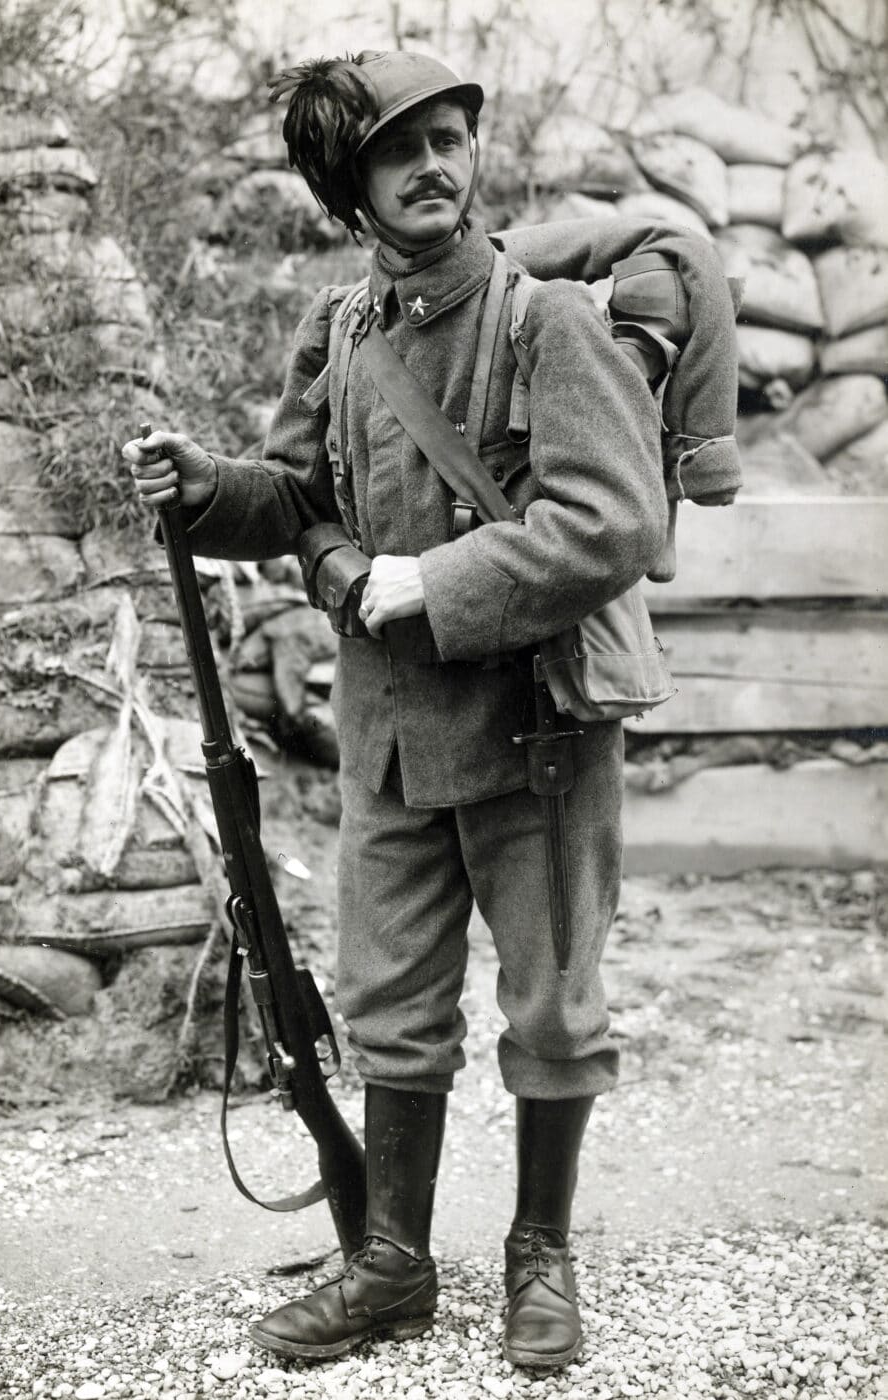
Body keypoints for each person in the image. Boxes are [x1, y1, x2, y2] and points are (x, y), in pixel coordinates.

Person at [122, 49, 669, 1370]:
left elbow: (615, 523)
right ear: (348, 189)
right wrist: (213, 493)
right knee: (389, 1006)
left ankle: (542, 1253)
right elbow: (301, 497)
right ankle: (392, 1265)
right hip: (388, 736)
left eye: (450, 140)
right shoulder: (343, 331)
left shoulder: (549, 325)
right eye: (398, 150)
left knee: (551, 1009)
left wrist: (427, 579)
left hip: (534, 727)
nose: (435, 167)